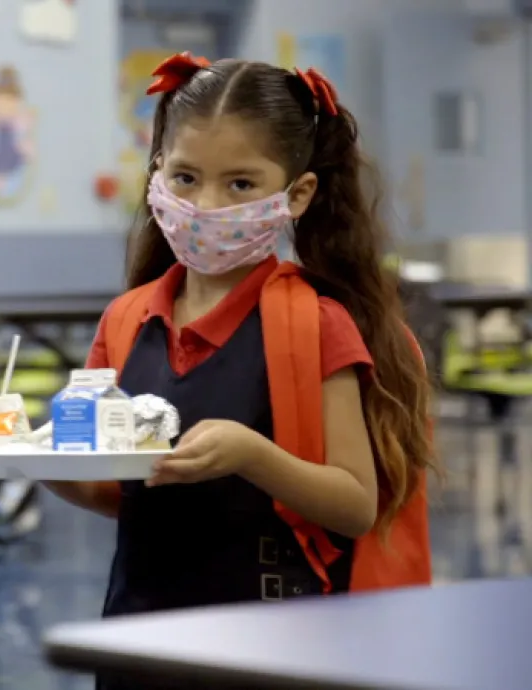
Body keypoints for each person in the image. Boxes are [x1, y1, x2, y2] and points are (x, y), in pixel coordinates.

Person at [45, 54, 439, 690]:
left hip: (273, 646)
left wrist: (253, 455)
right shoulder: (125, 321)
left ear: (298, 193)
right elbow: (119, 491)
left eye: (240, 185)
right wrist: (46, 469)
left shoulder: (315, 324)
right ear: (156, 176)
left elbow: (355, 505)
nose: (205, 205)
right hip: (140, 639)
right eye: (186, 177)